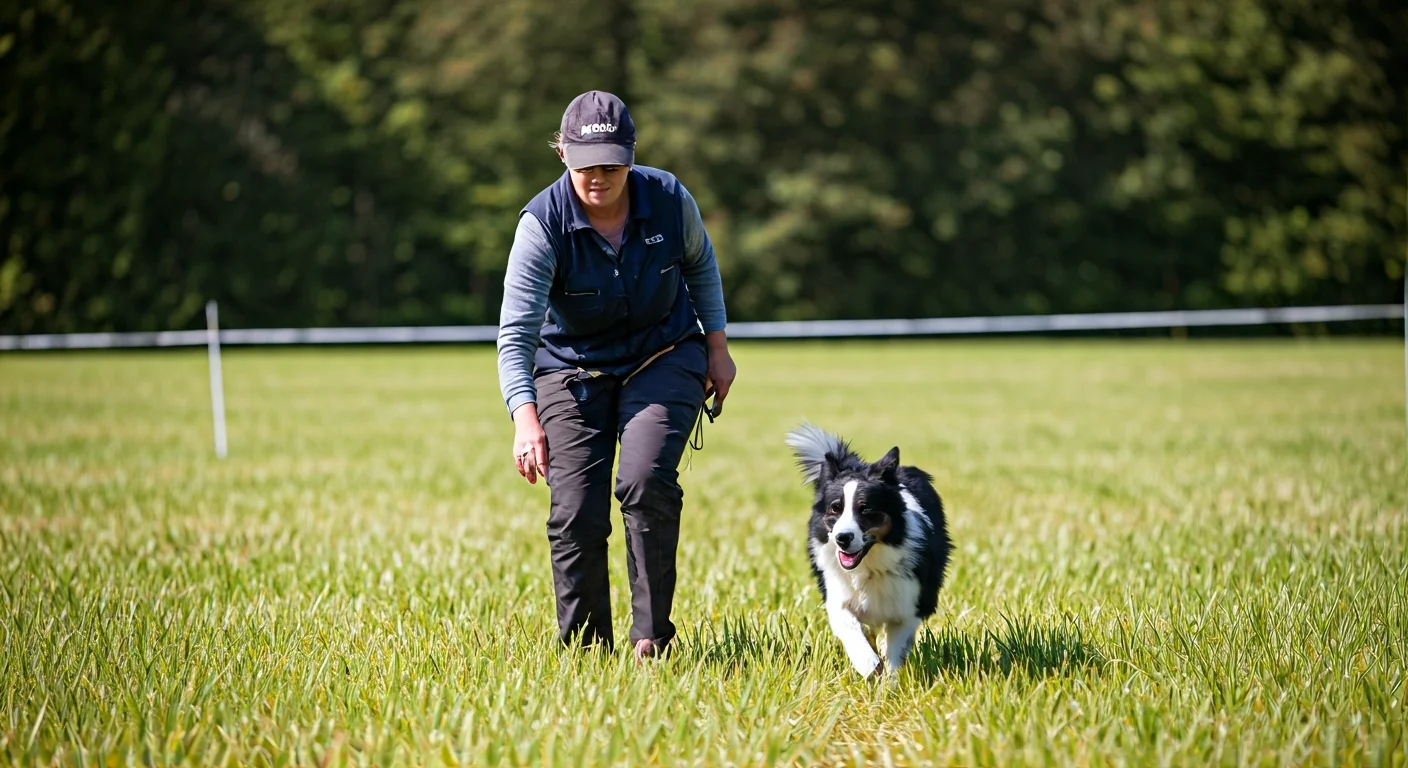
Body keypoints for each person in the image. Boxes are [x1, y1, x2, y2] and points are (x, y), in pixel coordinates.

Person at [496, 90, 737, 660]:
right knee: (575, 509)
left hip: (664, 353)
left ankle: (651, 638)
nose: (598, 177)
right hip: (570, 369)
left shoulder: (669, 199)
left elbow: (702, 266)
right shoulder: (542, 224)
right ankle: (586, 649)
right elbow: (516, 335)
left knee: (645, 481)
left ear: (631, 156)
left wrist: (718, 349)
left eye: (610, 164)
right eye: (585, 165)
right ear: (563, 155)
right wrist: (524, 418)